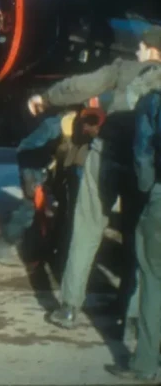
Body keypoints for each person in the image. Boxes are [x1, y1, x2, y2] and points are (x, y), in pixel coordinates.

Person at [27, 26, 161, 330]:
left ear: (150, 49)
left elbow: (79, 86)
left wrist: (45, 98)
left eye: (140, 47)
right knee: (138, 236)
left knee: (86, 229)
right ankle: (131, 315)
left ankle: (69, 308)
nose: (137, 51)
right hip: (146, 167)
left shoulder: (123, 69)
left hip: (107, 156)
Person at [0, 104, 105, 268]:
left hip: (56, 168)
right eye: (89, 126)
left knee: (62, 210)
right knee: (30, 209)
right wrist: (30, 177)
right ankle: (4, 244)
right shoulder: (52, 127)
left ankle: (50, 249)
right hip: (34, 168)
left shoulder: (89, 131)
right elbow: (24, 148)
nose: (91, 130)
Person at [105, 86, 161, 383]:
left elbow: (143, 152)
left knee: (153, 279)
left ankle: (145, 363)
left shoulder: (153, 100)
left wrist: (148, 189)